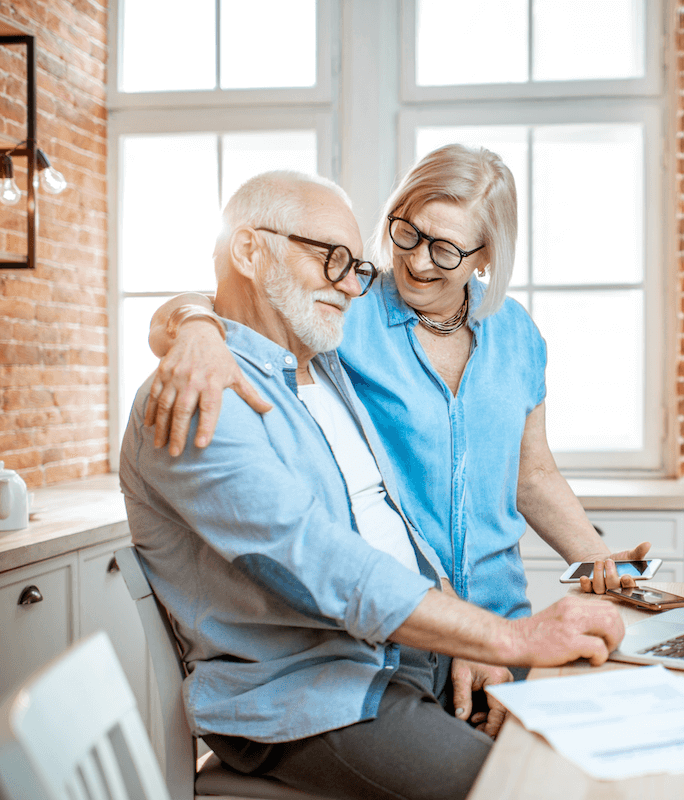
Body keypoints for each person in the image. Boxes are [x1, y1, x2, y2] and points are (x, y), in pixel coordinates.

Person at [120, 170, 625, 800]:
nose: (352, 283)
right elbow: (319, 559)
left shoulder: (324, 366)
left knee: (592, 742)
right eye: (329, 258)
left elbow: (392, 527)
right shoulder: (203, 394)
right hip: (310, 696)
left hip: (404, 660)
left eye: (356, 265)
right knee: (529, 795)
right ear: (250, 251)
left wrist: (466, 643)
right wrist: (505, 638)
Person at [145, 144, 648, 618]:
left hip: (506, 614)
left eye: (446, 250)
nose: (417, 260)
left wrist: (602, 562)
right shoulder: (347, 306)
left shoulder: (516, 333)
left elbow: (532, 475)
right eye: (409, 232)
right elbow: (231, 299)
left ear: (487, 256)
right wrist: (196, 329)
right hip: (400, 621)